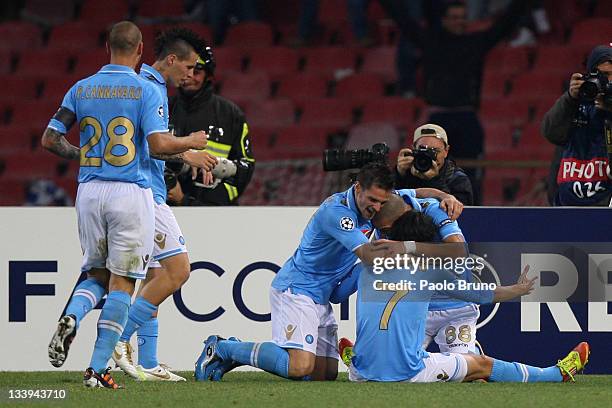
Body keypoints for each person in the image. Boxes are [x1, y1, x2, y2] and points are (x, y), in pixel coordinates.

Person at [43, 21, 208, 388]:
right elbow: (158, 145)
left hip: (88, 190)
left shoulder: (80, 87)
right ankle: (99, 368)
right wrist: (191, 143)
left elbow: (51, 139)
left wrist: (82, 153)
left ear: (107, 47)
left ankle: (73, 315)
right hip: (129, 192)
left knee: (96, 275)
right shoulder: (143, 89)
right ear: (139, 49)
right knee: (124, 282)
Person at [194, 162, 465, 382]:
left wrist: (445, 196)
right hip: (298, 289)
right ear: (357, 188)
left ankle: (234, 352)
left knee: (323, 375)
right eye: (372, 200)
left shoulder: (376, 203)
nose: (377, 209)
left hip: (321, 296)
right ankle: (223, 347)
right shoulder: (336, 212)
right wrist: (408, 251)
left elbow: (418, 193)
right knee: (300, 367)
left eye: (383, 203)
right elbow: (369, 255)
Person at [328, 211, 590, 383]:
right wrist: (517, 290)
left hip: (359, 375)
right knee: (481, 365)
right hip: (409, 373)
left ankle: (357, 360)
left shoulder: (365, 266)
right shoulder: (429, 271)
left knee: (386, 345)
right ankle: (555, 374)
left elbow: (338, 295)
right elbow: (480, 295)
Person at [111, 27, 217, 382]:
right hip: (146, 195)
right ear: (171, 60)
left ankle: (148, 362)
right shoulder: (150, 87)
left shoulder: (143, 83)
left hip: (144, 189)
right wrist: (190, 141)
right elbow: (155, 145)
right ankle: (119, 339)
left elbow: (148, 143)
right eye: (188, 68)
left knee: (156, 276)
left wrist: (188, 155)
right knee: (178, 271)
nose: (191, 75)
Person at [379, 0, 531, 203]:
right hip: (438, 118)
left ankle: (473, 214)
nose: (459, 22)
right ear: (444, 20)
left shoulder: (475, 42)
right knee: (427, 170)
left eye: (462, 18)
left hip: (467, 117)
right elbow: (403, 20)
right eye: (454, 18)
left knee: (471, 172)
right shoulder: (431, 41)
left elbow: (506, 23)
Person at [372, 190, 480, 356]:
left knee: (467, 370)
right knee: (393, 366)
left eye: (387, 230)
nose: (385, 235)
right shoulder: (387, 202)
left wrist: (408, 248)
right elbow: (416, 190)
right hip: (416, 308)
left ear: (404, 214)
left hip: (456, 306)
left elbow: (459, 251)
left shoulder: (436, 210)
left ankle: (472, 354)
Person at [167, 44, 255, 206]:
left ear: (208, 76)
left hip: (216, 212)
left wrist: (215, 169)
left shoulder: (231, 114)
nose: (189, 76)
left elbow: (246, 167)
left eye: (197, 71)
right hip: (168, 206)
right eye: (186, 70)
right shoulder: (164, 108)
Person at [541, 44, 612, 206]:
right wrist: (570, 98)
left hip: (605, 209)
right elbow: (550, 132)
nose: (607, 81)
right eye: (601, 75)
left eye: (610, 75)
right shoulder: (575, 103)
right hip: (568, 207)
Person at [395, 124, 473, 205]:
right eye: (423, 150)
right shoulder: (406, 172)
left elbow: (461, 214)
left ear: (446, 151)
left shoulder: (458, 179)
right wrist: (399, 176)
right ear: (413, 149)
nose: (428, 157)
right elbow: (388, 205)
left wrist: (434, 180)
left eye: (435, 151)